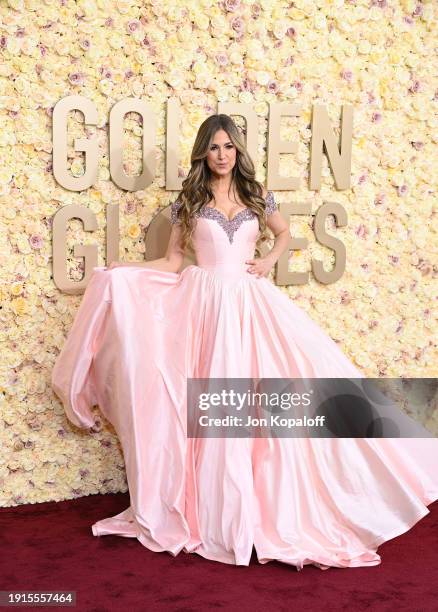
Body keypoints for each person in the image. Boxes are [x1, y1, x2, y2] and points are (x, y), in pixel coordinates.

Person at [52, 114, 438, 572]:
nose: (221, 155)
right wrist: (127, 271)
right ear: (203, 152)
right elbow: (173, 260)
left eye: (228, 147)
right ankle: (215, 510)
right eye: (214, 147)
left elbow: (285, 232)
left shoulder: (258, 195)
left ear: (238, 151)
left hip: (250, 303)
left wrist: (269, 260)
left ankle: (272, 503)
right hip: (205, 308)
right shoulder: (189, 201)